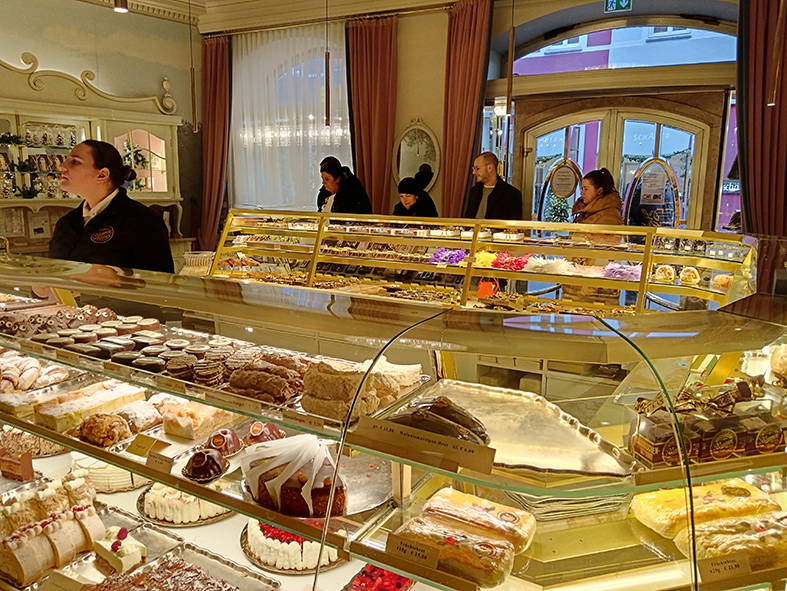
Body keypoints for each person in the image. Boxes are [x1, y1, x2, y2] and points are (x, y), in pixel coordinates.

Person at [49, 140, 174, 273]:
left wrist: (117, 278)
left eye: (75, 161)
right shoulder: (66, 223)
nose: (62, 166)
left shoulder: (143, 222)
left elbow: (161, 281)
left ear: (102, 175)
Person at [464, 152, 522, 220]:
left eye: (477, 168)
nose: (474, 172)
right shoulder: (474, 191)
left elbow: (513, 224)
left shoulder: (512, 194)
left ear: (490, 168)